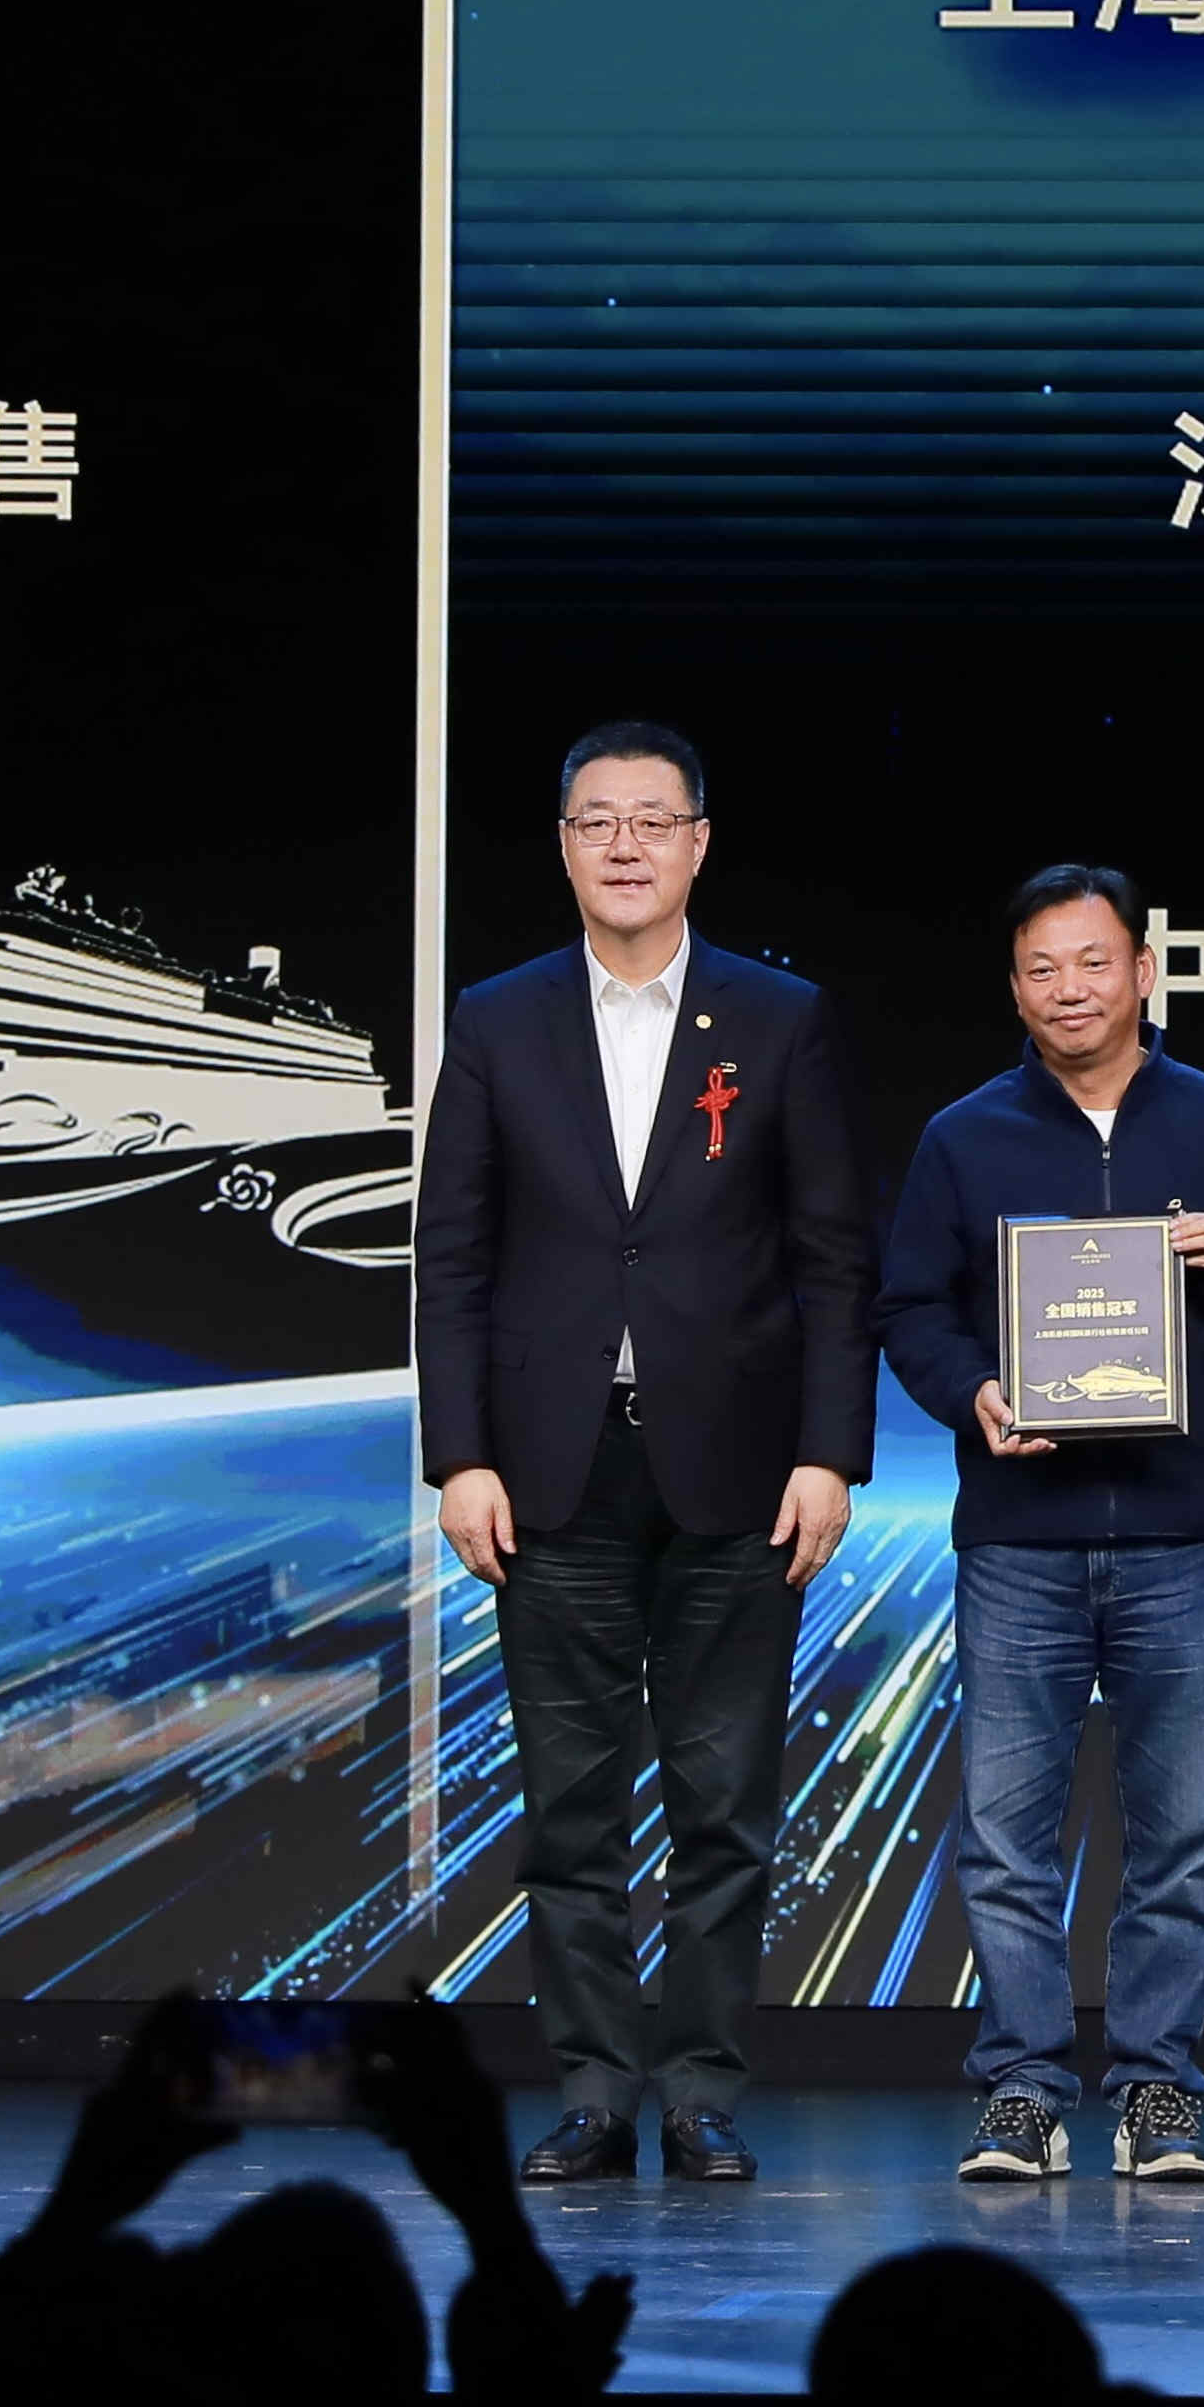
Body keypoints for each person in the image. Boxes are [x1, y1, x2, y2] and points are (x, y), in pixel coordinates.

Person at [413, 716, 879, 2186]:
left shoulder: (779, 1018)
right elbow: (452, 1256)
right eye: (595, 821)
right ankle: (596, 2089)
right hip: (549, 1471)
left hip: (740, 1468)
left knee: (723, 1803)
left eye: (652, 820)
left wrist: (831, 1452)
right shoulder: (497, 1020)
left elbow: (831, 1257)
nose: (624, 845)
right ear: (563, 847)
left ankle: (701, 2088)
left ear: (697, 844)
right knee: (570, 1808)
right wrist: (459, 1457)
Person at [873, 859, 1204, 2188]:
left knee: (1183, 1833)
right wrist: (972, 1392)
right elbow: (908, 1307)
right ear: (1015, 988)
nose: (1069, 988)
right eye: (1042, 968)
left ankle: (1156, 2090)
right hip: (1017, 1533)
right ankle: (1022, 2089)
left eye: (1093, 962)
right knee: (1005, 1836)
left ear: (1143, 970)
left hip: (1178, 1532)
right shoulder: (963, 1136)